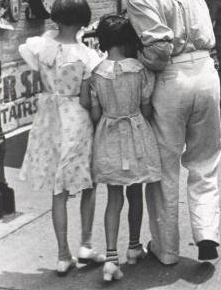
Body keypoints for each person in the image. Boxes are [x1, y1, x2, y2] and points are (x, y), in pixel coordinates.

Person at [101, 0, 221, 264]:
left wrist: (135, 55)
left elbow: (159, 51)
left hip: (172, 80)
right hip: (207, 75)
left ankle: (166, 249)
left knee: (164, 167)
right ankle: (207, 231)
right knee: (205, 163)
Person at [18, 0, 105, 275]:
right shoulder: (85, 55)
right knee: (87, 182)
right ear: (81, 21)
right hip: (77, 120)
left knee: (58, 190)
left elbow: (33, 65)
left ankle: (62, 254)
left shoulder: (40, 46)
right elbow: (86, 96)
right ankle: (86, 244)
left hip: (48, 119)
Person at [90, 15, 162, 281]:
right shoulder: (140, 70)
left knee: (113, 197)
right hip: (134, 135)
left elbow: (96, 113)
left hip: (108, 137)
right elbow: (145, 107)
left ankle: (111, 258)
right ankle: (133, 247)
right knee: (135, 192)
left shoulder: (96, 72)